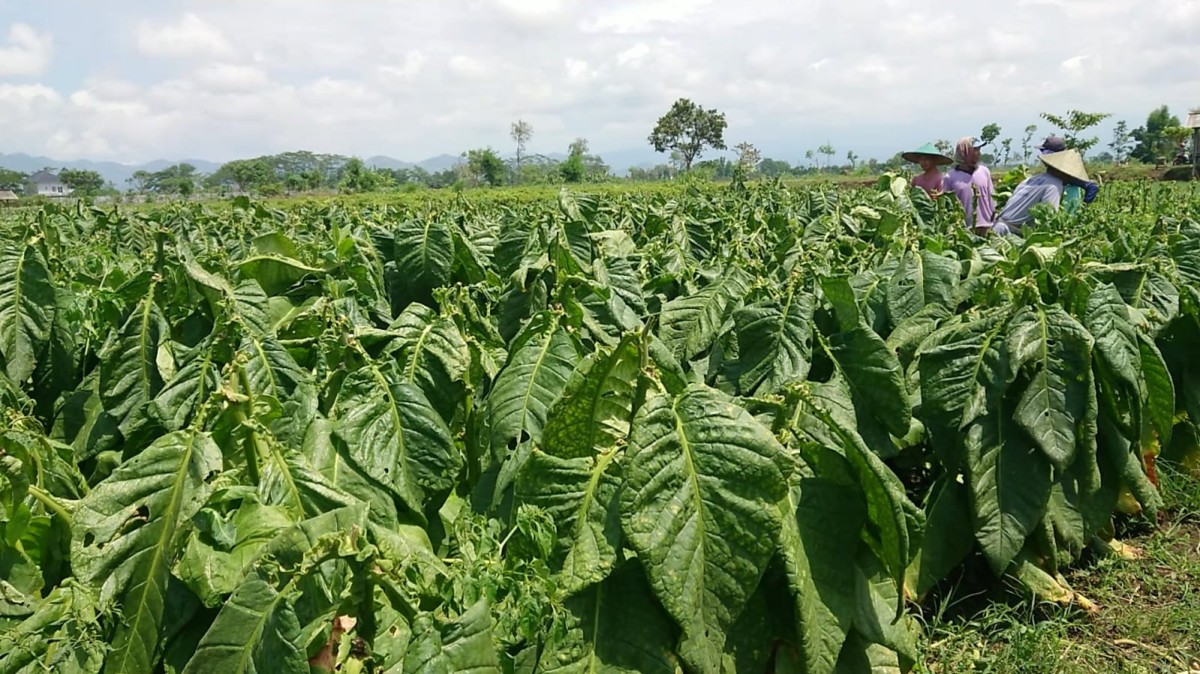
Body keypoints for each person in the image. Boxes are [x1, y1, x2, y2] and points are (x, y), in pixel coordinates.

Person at [992, 148, 1092, 235]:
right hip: (1009, 233)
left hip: (998, 226)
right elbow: (1048, 218)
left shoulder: (1032, 179)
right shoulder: (1054, 186)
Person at [942, 136, 995, 234]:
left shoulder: (984, 171)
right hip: (964, 229)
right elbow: (947, 204)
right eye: (975, 150)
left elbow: (991, 197)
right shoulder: (950, 177)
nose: (978, 153)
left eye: (979, 150)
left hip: (986, 225)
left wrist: (993, 217)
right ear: (964, 152)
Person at [1036, 136, 1099, 215]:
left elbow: (1092, 187)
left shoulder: (1066, 171)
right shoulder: (1053, 170)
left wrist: (1083, 208)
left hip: (1067, 217)